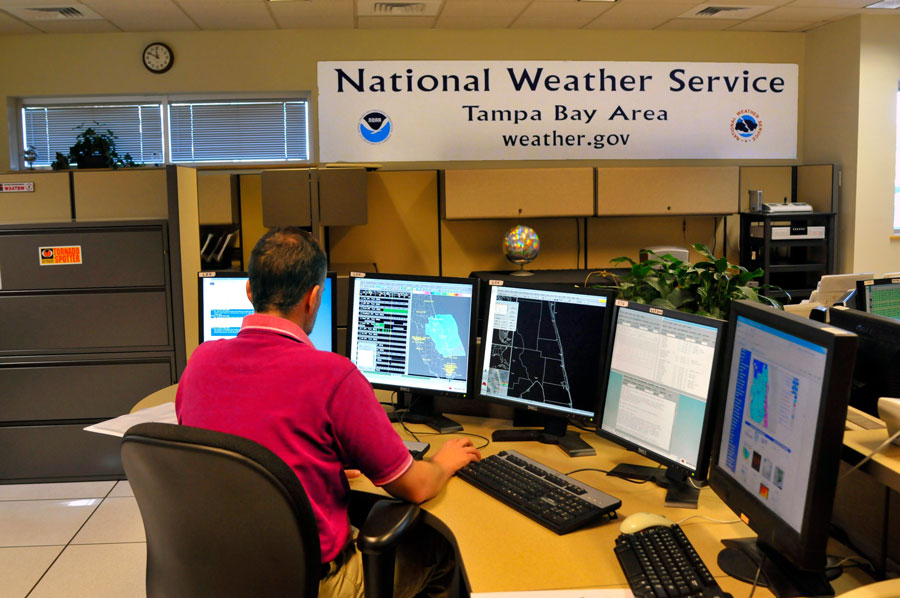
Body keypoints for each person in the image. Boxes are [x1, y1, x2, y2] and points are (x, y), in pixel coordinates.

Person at [176, 226, 481, 598]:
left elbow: (233, 452)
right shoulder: (334, 376)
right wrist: (444, 463)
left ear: (250, 291)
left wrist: (320, 462)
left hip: (217, 577)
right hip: (310, 584)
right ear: (314, 297)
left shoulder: (200, 362)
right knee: (440, 552)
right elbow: (415, 487)